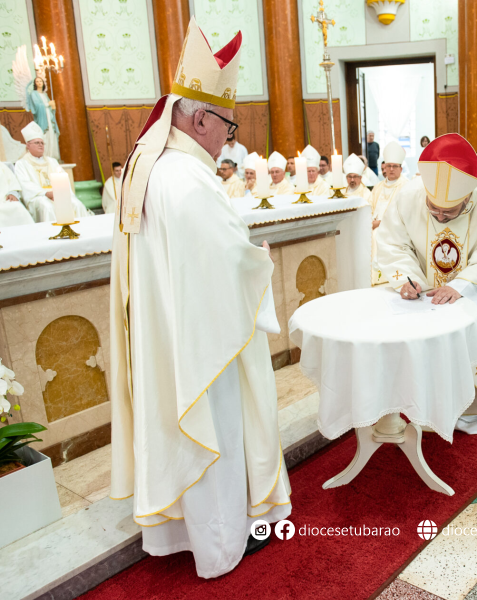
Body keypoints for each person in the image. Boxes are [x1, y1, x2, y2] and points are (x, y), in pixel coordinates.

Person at [109, 18, 291, 580]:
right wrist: (257, 261)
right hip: (201, 340)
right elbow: (224, 264)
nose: (228, 141)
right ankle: (221, 543)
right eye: (228, 128)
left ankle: (181, 531)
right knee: (212, 423)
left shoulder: (151, 163)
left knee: (175, 418)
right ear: (201, 118)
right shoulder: (188, 177)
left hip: (167, 330)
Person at [377, 133, 477, 434]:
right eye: (434, 209)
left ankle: (473, 409)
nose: (440, 215)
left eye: (449, 211)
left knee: (473, 348)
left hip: (473, 290)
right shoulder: (409, 196)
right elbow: (393, 244)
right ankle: (427, 405)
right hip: (426, 292)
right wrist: (407, 278)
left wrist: (462, 286)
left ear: (467, 197)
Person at [15, 122, 92, 222]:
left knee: (77, 204)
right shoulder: (22, 164)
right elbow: (25, 185)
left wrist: (60, 193)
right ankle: (52, 234)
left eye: (42, 143)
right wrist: (46, 193)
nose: (41, 145)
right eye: (37, 143)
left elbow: (64, 180)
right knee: (48, 207)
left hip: (58, 194)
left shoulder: (52, 161)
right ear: (28, 145)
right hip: (38, 197)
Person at [369, 141, 408, 285]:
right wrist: (369, 223)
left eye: (395, 166)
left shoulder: (406, 187)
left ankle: (382, 278)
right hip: (372, 226)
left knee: (375, 236)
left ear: (400, 168)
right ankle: (368, 278)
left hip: (393, 229)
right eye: (388, 166)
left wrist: (379, 223)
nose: (391, 169)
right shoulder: (378, 187)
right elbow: (369, 207)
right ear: (384, 167)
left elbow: (404, 214)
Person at [25, 76, 60, 160]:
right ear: (35, 84)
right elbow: (37, 106)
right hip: (42, 117)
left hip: (49, 116)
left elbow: (51, 107)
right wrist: (48, 104)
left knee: (52, 133)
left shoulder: (45, 94)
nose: (39, 82)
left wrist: (53, 107)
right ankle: (46, 154)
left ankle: (52, 155)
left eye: (40, 81)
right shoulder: (34, 93)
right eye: (37, 81)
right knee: (44, 134)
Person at [0, 161, 35, 227]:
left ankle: (30, 232)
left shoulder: (1, 166)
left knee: (17, 207)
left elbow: (12, 181)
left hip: (3, 199)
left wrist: (12, 193)